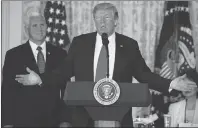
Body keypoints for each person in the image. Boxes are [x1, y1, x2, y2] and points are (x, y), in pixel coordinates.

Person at [15, 3, 197, 127]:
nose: (102, 22)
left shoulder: (129, 45)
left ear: (116, 21)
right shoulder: (80, 43)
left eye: (107, 18)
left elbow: (143, 74)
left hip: (119, 117)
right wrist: (40, 78)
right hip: (84, 118)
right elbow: (63, 72)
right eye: (98, 18)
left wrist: (171, 83)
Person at [2, 13, 71, 127]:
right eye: (34, 25)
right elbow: (7, 93)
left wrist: (66, 121)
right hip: (23, 121)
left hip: (54, 121)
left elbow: (66, 89)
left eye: (42, 25)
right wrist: (7, 124)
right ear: (26, 29)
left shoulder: (60, 54)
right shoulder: (13, 55)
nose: (39, 29)